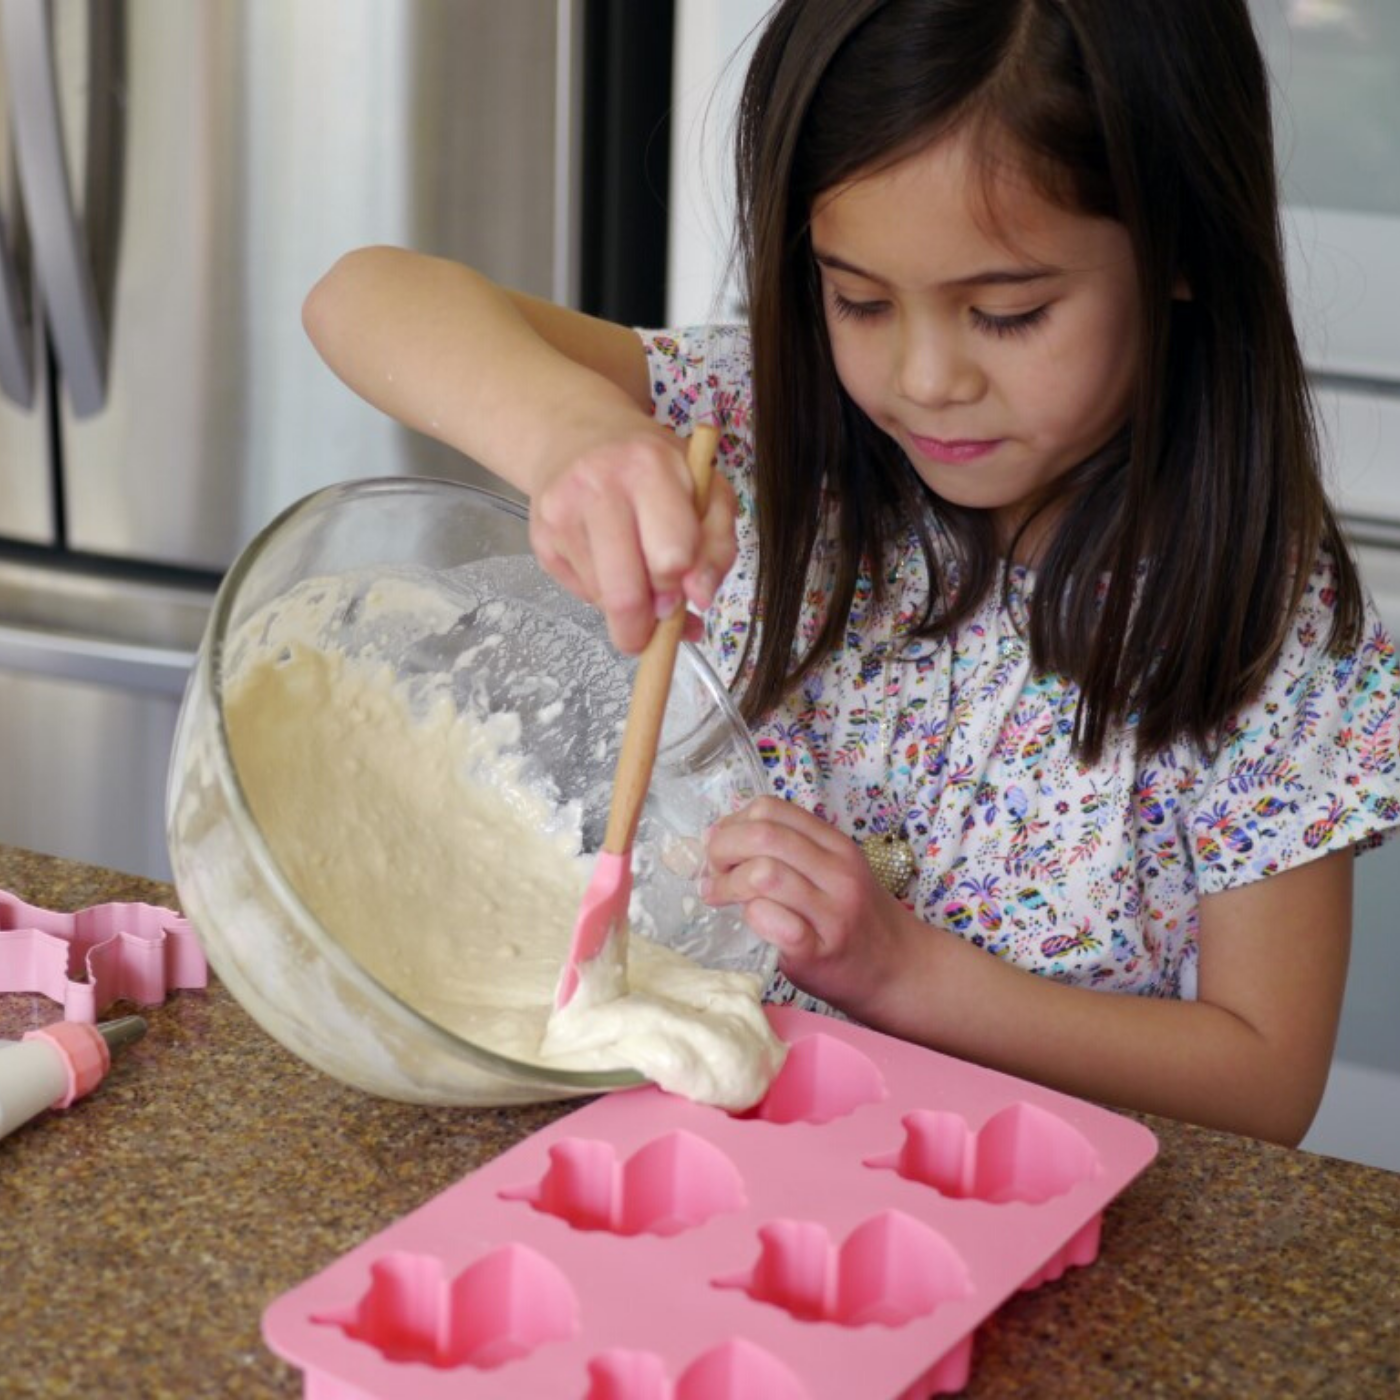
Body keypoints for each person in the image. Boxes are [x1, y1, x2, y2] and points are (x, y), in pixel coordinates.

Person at [301, 0, 1400, 1147]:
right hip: (699, 1174)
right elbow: (358, 296)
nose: (924, 377)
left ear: (1177, 249)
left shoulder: (1263, 629)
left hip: (1051, 1235)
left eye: (1006, 312)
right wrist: (573, 432)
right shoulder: (760, 428)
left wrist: (904, 972)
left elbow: (1264, 1080)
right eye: (858, 300)